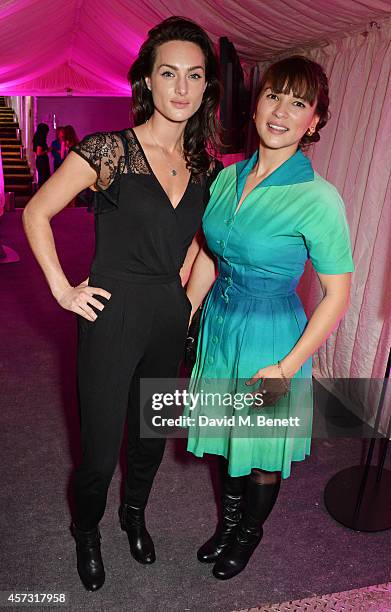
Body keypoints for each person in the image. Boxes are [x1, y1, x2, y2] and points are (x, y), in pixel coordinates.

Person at [22, 16, 222, 591]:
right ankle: (88, 529)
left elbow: (195, 244)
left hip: (168, 312)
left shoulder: (206, 167)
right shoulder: (110, 151)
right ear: (148, 82)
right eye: (168, 73)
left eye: (194, 76)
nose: (181, 88)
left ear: (206, 87)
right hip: (110, 314)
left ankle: (134, 515)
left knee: (151, 437)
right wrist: (63, 289)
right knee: (99, 453)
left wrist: (184, 304)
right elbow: (37, 212)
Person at [185, 55, 354, 580]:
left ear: (315, 122)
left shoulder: (319, 198)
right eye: (273, 95)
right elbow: (210, 255)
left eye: (298, 103)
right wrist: (184, 317)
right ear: (256, 103)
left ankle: (248, 533)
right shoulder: (228, 175)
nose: (281, 111)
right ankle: (228, 521)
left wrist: (287, 366)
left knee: (260, 448)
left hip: (271, 337)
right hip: (220, 325)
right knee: (226, 433)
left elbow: (336, 294)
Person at [33, 123, 51, 187]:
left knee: (42, 178)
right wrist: (48, 150)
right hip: (42, 161)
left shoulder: (36, 139)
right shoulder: (41, 140)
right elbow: (39, 153)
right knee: (44, 178)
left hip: (39, 161)